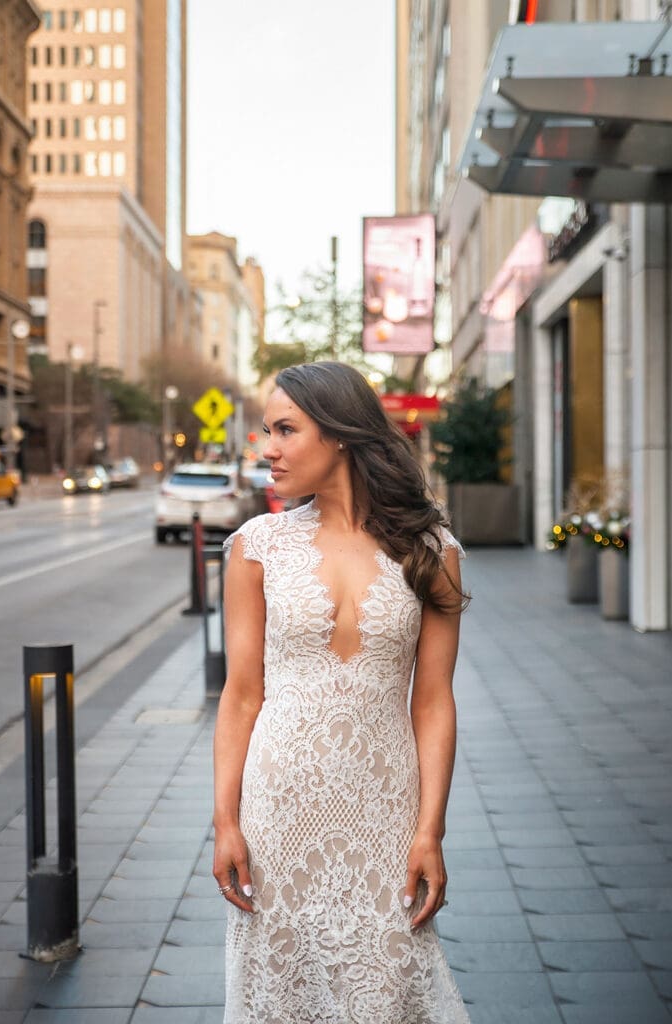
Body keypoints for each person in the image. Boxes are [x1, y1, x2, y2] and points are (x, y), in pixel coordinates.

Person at [213, 362, 471, 1024]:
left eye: (285, 430)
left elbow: (433, 701)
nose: (266, 448)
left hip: (385, 807)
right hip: (280, 806)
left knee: (386, 986)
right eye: (267, 430)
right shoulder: (255, 547)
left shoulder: (430, 549)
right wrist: (225, 822)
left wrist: (428, 829)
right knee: (282, 990)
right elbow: (241, 696)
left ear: (341, 436)